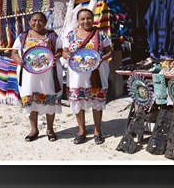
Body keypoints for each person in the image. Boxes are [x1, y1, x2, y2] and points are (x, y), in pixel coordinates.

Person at [62, 8, 113, 145]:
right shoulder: (71, 35)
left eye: (89, 18)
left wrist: (102, 58)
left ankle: (97, 131)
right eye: (82, 19)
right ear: (78, 21)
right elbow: (65, 52)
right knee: (78, 102)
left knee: (97, 102)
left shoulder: (101, 34)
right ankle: (82, 131)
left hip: (96, 74)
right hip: (77, 75)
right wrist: (69, 57)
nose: (86, 21)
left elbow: (109, 52)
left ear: (93, 19)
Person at [11, 12, 63, 142]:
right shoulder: (22, 36)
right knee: (30, 99)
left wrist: (53, 58)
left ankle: (50, 129)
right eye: (34, 20)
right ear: (29, 22)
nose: (37, 23)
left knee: (50, 97)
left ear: (45, 23)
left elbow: (60, 51)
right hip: (29, 75)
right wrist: (19, 61)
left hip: (49, 74)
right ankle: (34, 129)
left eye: (40, 21)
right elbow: (14, 52)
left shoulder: (52, 35)